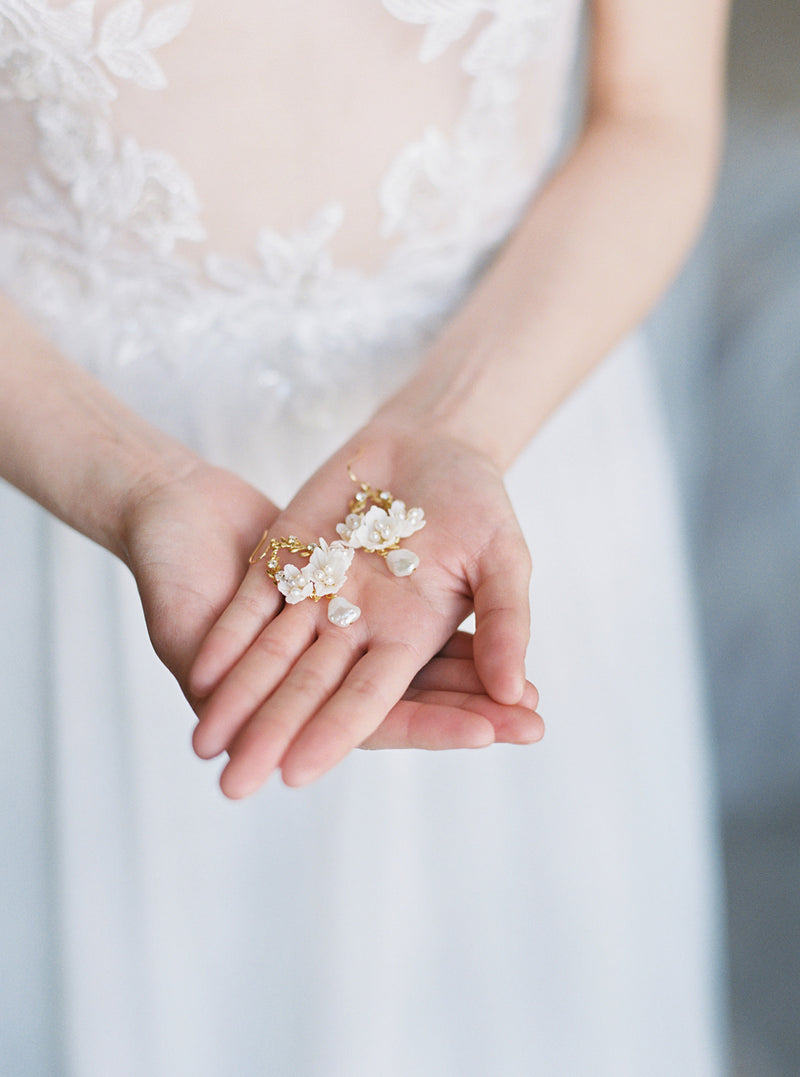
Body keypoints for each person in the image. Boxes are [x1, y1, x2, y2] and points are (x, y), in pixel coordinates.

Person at [0, 1, 729, 1074]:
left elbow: (652, 117)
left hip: (510, 422)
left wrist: (457, 426)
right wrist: (132, 482)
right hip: (68, 476)